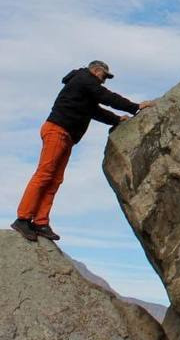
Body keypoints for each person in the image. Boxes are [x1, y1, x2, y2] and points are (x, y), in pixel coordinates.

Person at [10, 60, 156, 243]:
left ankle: (40, 222)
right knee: (44, 175)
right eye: (103, 77)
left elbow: (95, 111)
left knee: (54, 180)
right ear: (96, 70)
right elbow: (106, 96)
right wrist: (135, 107)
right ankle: (23, 219)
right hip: (57, 131)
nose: (103, 81)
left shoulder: (85, 88)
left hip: (66, 137)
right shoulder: (83, 78)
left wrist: (117, 120)